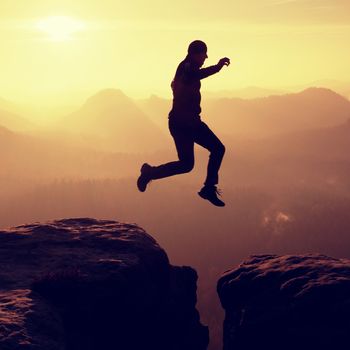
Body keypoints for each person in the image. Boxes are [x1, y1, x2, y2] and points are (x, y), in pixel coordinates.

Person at [137, 40, 230, 207]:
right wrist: (217, 67)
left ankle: (149, 172)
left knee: (187, 165)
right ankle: (209, 188)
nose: (206, 57)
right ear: (196, 54)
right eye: (204, 53)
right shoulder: (186, 68)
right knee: (217, 149)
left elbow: (193, 75)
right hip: (186, 123)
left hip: (182, 123)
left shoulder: (187, 68)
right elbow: (195, 75)